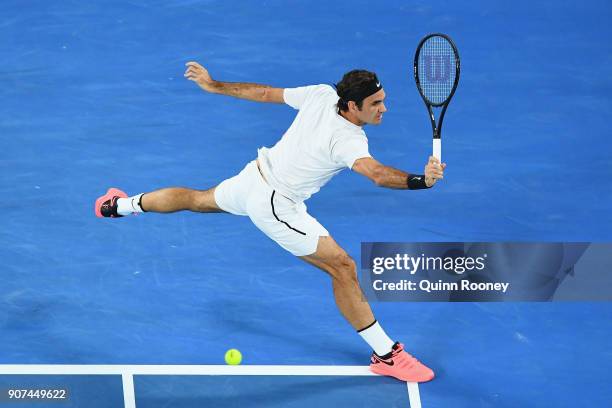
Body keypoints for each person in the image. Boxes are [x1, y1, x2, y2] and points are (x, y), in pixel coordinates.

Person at [95, 61, 446, 382]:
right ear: (353, 106)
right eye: (376, 103)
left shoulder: (322, 94)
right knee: (342, 267)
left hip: (253, 177)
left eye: (383, 100)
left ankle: (117, 206)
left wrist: (214, 84)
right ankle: (386, 355)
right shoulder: (348, 140)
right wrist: (422, 181)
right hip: (276, 205)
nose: (384, 108)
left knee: (198, 199)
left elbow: (264, 93)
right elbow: (378, 175)